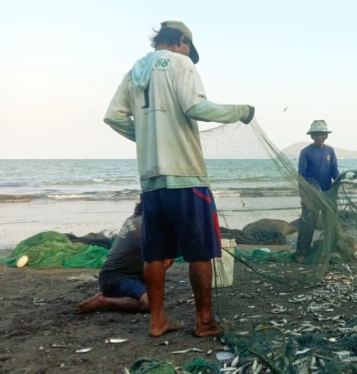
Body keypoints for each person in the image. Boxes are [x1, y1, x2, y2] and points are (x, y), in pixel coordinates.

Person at [103, 21, 254, 337]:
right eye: (189, 48)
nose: (189, 54)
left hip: (151, 182)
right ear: (182, 41)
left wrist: (147, 136)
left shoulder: (134, 71)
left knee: (155, 253)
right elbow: (196, 106)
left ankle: (157, 321)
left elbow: (113, 116)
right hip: (186, 177)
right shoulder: (180, 63)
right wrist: (241, 110)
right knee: (201, 251)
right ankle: (204, 321)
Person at [75, 203, 173, 314]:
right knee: (150, 304)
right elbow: (161, 259)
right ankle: (103, 300)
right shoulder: (142, 227)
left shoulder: (135, 219)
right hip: (116, 278)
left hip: (131, 274)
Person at [295, 120, 339, 263]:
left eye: (322, 134)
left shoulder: (330, 151)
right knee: (308, 224)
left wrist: (340, 183)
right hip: (311, 195)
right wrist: (304, 198)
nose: (319, 137)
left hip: (328, 194)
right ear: (312, 136)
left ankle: (328, 249)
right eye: (316, 134)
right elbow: (301, 177)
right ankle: (301, 252)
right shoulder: (306, 152)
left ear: (326, 135)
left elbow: (335, 172)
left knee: (330, 224)